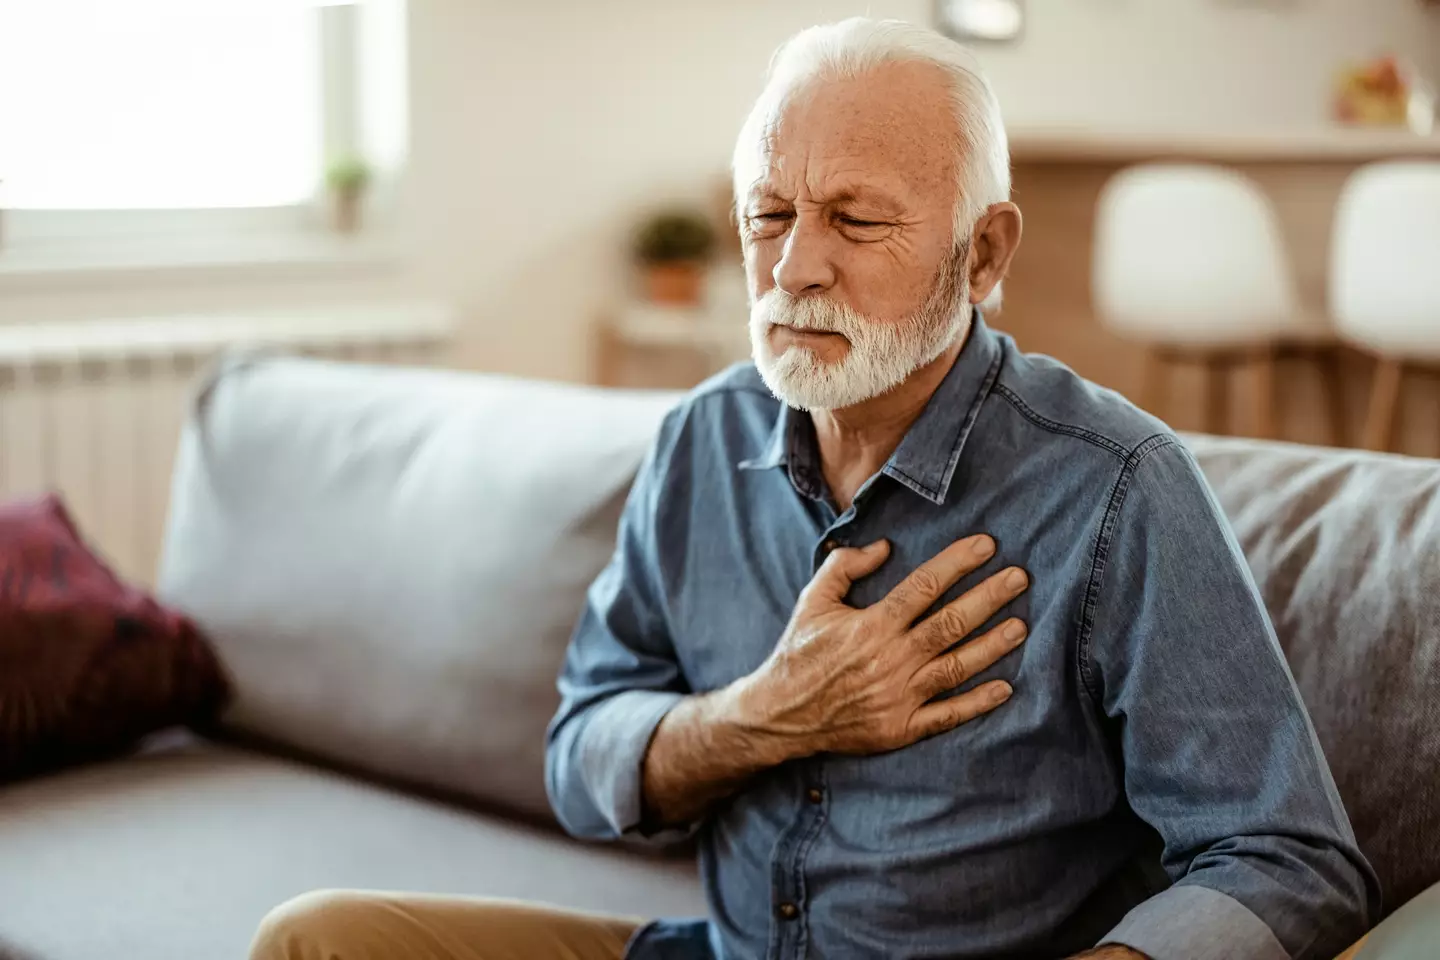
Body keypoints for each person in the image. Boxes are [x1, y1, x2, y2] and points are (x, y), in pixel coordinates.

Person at [249, 17, 1378, 960]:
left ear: (982, 255)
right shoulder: (702, 441)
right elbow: (582, 753)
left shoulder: (1117, 488)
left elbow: (1288, 857)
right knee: (319, 938)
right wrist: (761, 718)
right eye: (769, 215)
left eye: (855, 218)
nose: (794, 268)